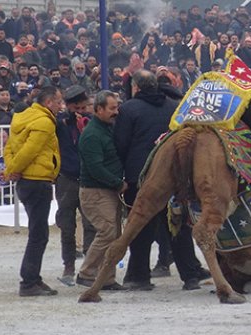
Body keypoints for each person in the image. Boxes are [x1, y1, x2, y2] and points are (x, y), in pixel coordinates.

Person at [115, 70, 208, 291]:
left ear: (136, 87)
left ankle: (139, 275)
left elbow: (120, 143)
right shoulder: (172, 107)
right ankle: (190, 275)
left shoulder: (128, 109)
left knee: (141, 226)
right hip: (175, 176)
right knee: (178, 226)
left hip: (142, 176)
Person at [3, 86, 63, 297]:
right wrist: (13, 170)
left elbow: (9, 148)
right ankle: (29, 281)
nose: (60, 106)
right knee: (39, 235)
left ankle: (33, 279)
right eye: (58, 101)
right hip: (38, 181)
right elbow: (30, 150)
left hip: (26, 182)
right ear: (48, 102)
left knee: (38, 233)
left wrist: (12, 169)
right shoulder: (44, 122)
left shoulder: (22, 119)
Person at [75, 90, 127, 291]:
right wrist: (117, 183)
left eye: (117, 107)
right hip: (96, 192)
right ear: (98, 110)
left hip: (107, 191)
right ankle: (87, 273)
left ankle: (106, 277)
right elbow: (95, 168)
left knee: (114, 235)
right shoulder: (92, 135)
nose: (116, 112)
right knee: (108, 232)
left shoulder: (106, 129)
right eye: (112, 108)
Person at [54, 85, 96, 286]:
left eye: (82, 106)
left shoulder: (92, 122)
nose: (79, 110)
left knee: (91, 224)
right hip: (67, 177)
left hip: (87, 178)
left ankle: (89, 267)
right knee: (67, 224)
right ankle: (68, 265)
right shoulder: (61, 123)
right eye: (75, 107)